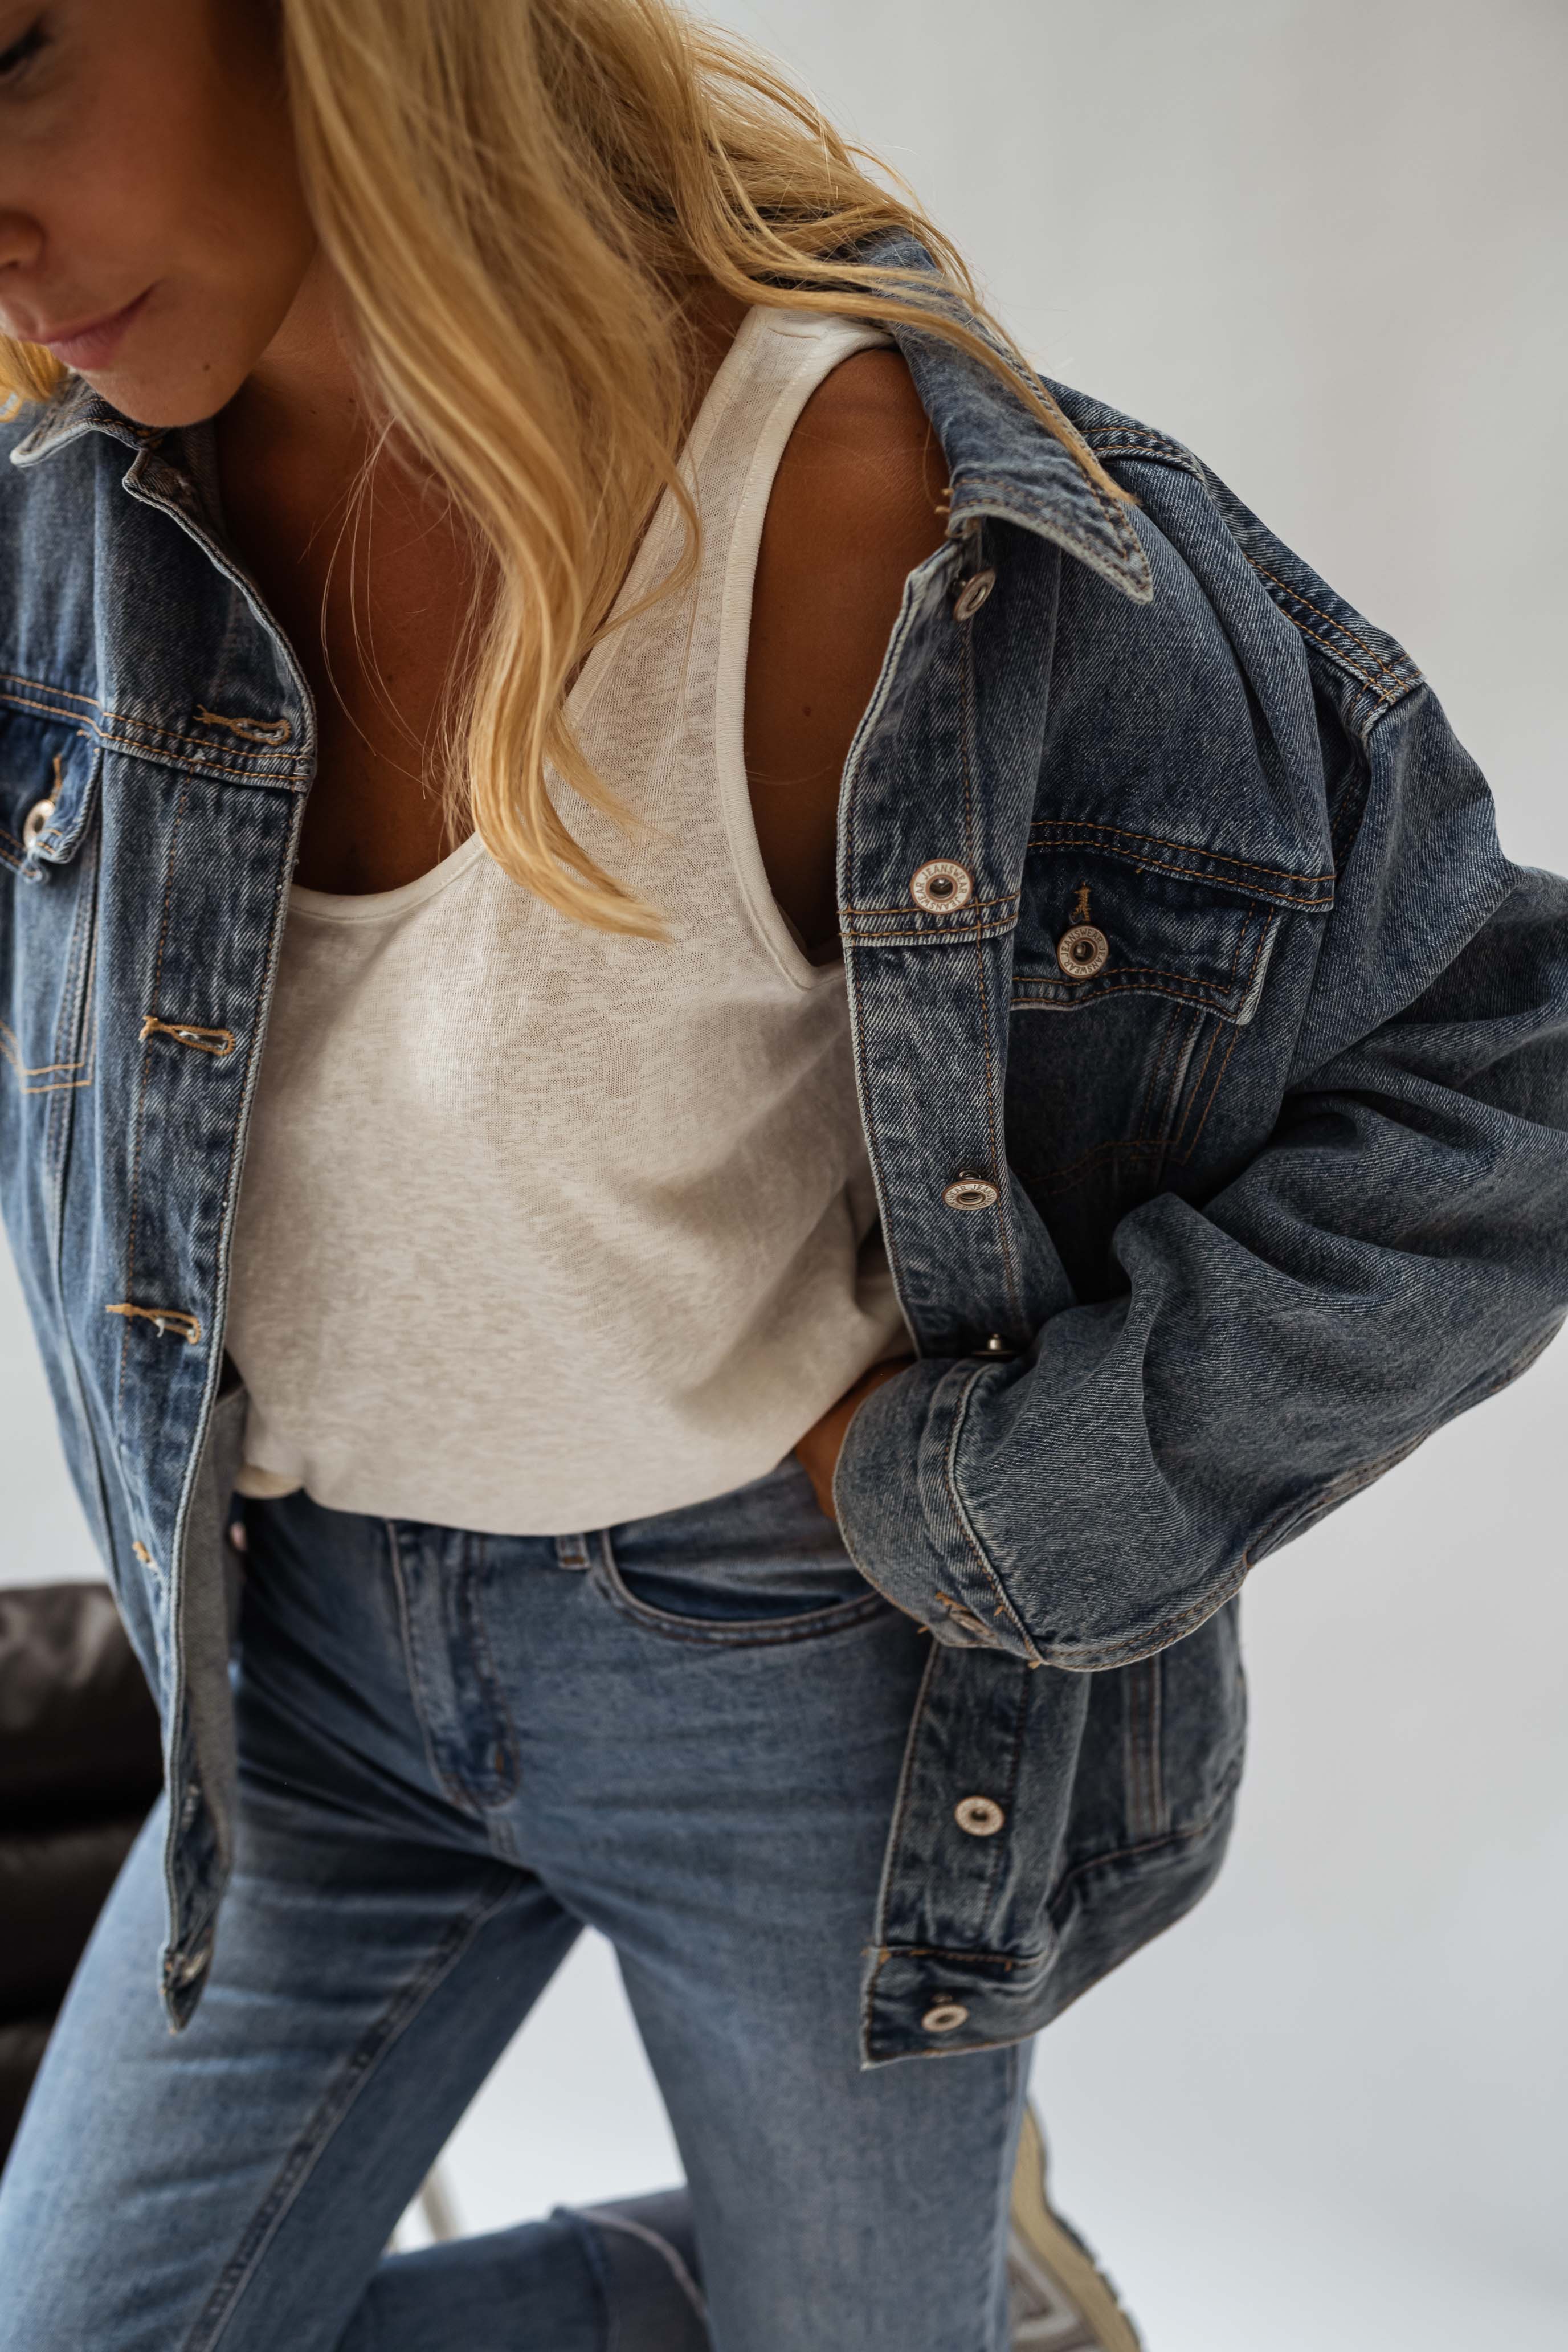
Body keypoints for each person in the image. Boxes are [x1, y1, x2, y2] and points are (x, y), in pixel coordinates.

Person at [0, 3, 1564, 2347]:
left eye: (16, 55)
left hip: (777, 1686)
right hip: (306, 1669)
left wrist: (1020, 1495)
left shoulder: (865, 504)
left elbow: (1509, 1068)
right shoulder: (78, 511)